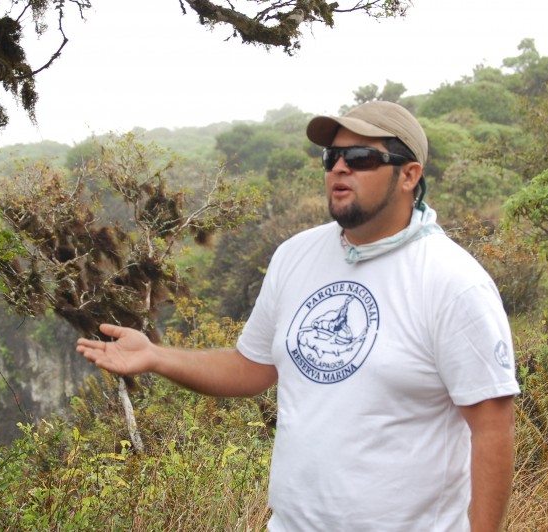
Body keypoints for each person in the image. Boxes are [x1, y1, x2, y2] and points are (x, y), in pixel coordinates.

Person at [76, 100, 520, 531]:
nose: (340, 168)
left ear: (409, 175)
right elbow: (251, 368)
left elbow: (492, 427)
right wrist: (156, 357)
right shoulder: (296, 255)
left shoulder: (452, 282)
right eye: (332, 157)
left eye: (361, 158)